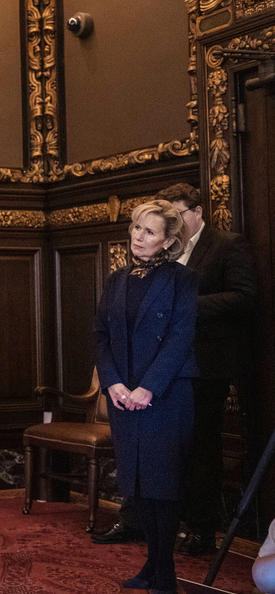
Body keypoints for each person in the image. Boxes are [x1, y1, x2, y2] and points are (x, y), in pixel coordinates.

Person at [92, 183, 260, 555]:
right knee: (142, 448)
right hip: (143, 369)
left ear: (196, 212)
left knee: (198, 448)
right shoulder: (124, 275)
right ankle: (136, 520)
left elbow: (244, 297)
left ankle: (201, 529)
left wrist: (179, 307)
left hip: (202, 366)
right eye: (140, 226)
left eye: (177, 214)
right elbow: (103, 330)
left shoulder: (226, 245)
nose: (146, 232)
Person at [94, 200, 197, 594]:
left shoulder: (183, 280)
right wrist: (114, 384)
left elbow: (179, 338)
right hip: (124, 398)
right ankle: (152, 563)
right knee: (138, 484)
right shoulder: (116, 279)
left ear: (168, 241)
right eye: (137, 228)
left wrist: (148, 387)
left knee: (163, 484)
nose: (139, 237)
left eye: (150, 232)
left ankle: (165, 572)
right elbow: (101, 335)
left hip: (165, 395)